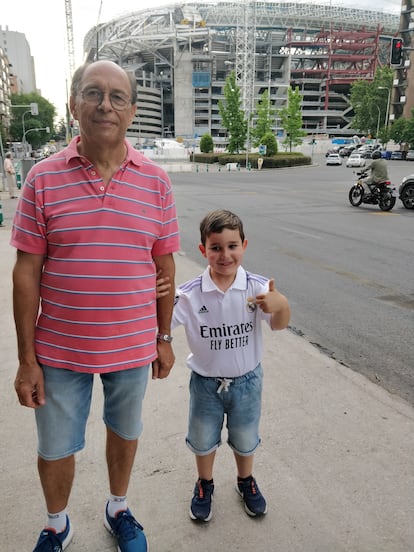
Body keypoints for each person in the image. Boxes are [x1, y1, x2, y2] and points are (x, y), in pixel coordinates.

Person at [11, 60, 180, 552]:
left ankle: (118, 507)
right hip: (59, 350)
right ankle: (57, 523)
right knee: (55, 447)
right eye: (93, 93)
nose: (105, 105)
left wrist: (164, 337)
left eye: (117, 97)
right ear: (73, 105)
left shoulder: (156, 182)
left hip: (131, 347)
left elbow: (165, 268)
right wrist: (27, 360)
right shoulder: (42, 179)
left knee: (125, 432)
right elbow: (27, 273)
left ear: (131, 112)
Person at [171, 209, 290, 522]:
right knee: (202, 438)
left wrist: (282, 306)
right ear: (203, 250)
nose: (225, 255)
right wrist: (153, 299)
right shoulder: (189, 294)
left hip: (247, 383)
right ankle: (204, 483)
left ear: (244, 245)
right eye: (216, 247)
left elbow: (279, 324)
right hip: (205, 384)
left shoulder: (258, 288)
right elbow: (162, 322)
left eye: (232, 246)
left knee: (245, 437)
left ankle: (245, 480)